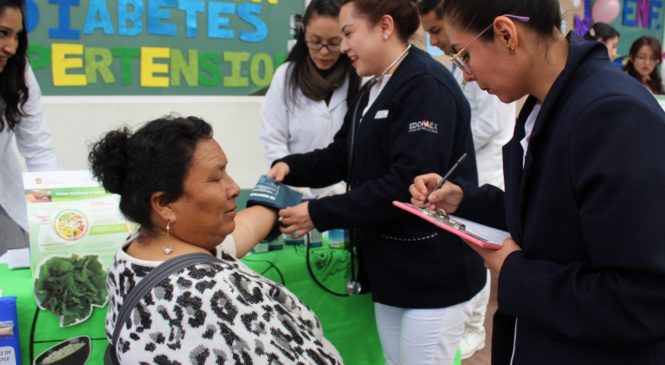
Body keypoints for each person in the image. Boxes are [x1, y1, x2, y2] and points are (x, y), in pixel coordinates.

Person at [409, 0, 665, 364]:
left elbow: (644, 299)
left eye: (463, 54)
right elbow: (556, 220)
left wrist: (516, 275)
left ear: (506, 34)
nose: (466, 73)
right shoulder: (548, 104)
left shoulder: (613, 115)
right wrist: (465, 201)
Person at [268, 1, 485, 363]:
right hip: (390, 271)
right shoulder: (373, 90)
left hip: (433, 274)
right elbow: (342, 155)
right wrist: (289, 167)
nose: (343, 47)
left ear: (385, 26)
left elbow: (407, 185)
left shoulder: (425, 85)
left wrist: (319, 213)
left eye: (349, 34)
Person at [91, 116, 342, 364]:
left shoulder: (139, 252)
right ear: (164, 204)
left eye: (226, 171)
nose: (233, 188)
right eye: (216, 178)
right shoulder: (212, 294)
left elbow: (245, 229)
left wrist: (272, 195)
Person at [418, 0, 515, 359]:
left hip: (485, 170)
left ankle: (474, 327)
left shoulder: (488, 66)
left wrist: (447, 142)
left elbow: (487, 125)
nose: (434, 40)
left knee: (481, 255)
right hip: (469, 178)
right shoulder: (463, 68)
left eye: (436, 30)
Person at [260, 0, 360, 199]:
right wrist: (296, 184)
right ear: (303, 31)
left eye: (334, 43)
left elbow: (358, 143)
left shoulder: (359, 77)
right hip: (296, 192)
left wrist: (340, 186)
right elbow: (274, 139)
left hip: (345, 193)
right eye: (315, 41)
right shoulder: (285, 76)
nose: (324, 51)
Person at [0, 0, 58, 255]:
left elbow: (39, 151)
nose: (11, 47)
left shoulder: (17, 72)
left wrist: (55, 213)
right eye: (3, 33)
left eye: (17, 36)